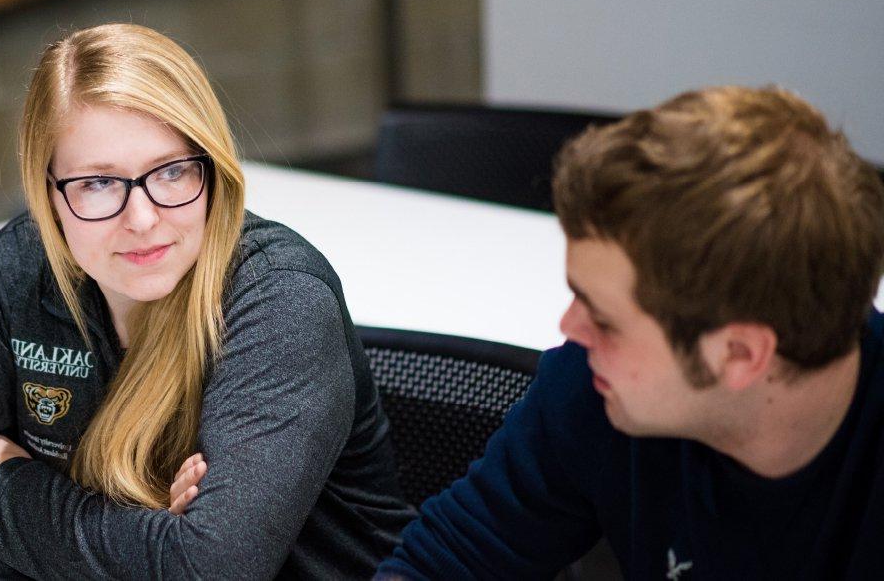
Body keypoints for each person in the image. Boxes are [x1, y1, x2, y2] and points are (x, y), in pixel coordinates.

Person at [0, 23, 409, 579]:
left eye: (172, 172)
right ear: (47, 193)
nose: (143, 219)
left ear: (212, 171)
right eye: (98, 183)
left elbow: (209, 570)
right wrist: (145, 543)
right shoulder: (24, 266)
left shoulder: (280, 300)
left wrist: (9, 485)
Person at [376, 86, 884, 579]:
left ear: (740, 355)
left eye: (604, 320)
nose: (569, 329)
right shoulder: (592, 381)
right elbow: (446, 560)